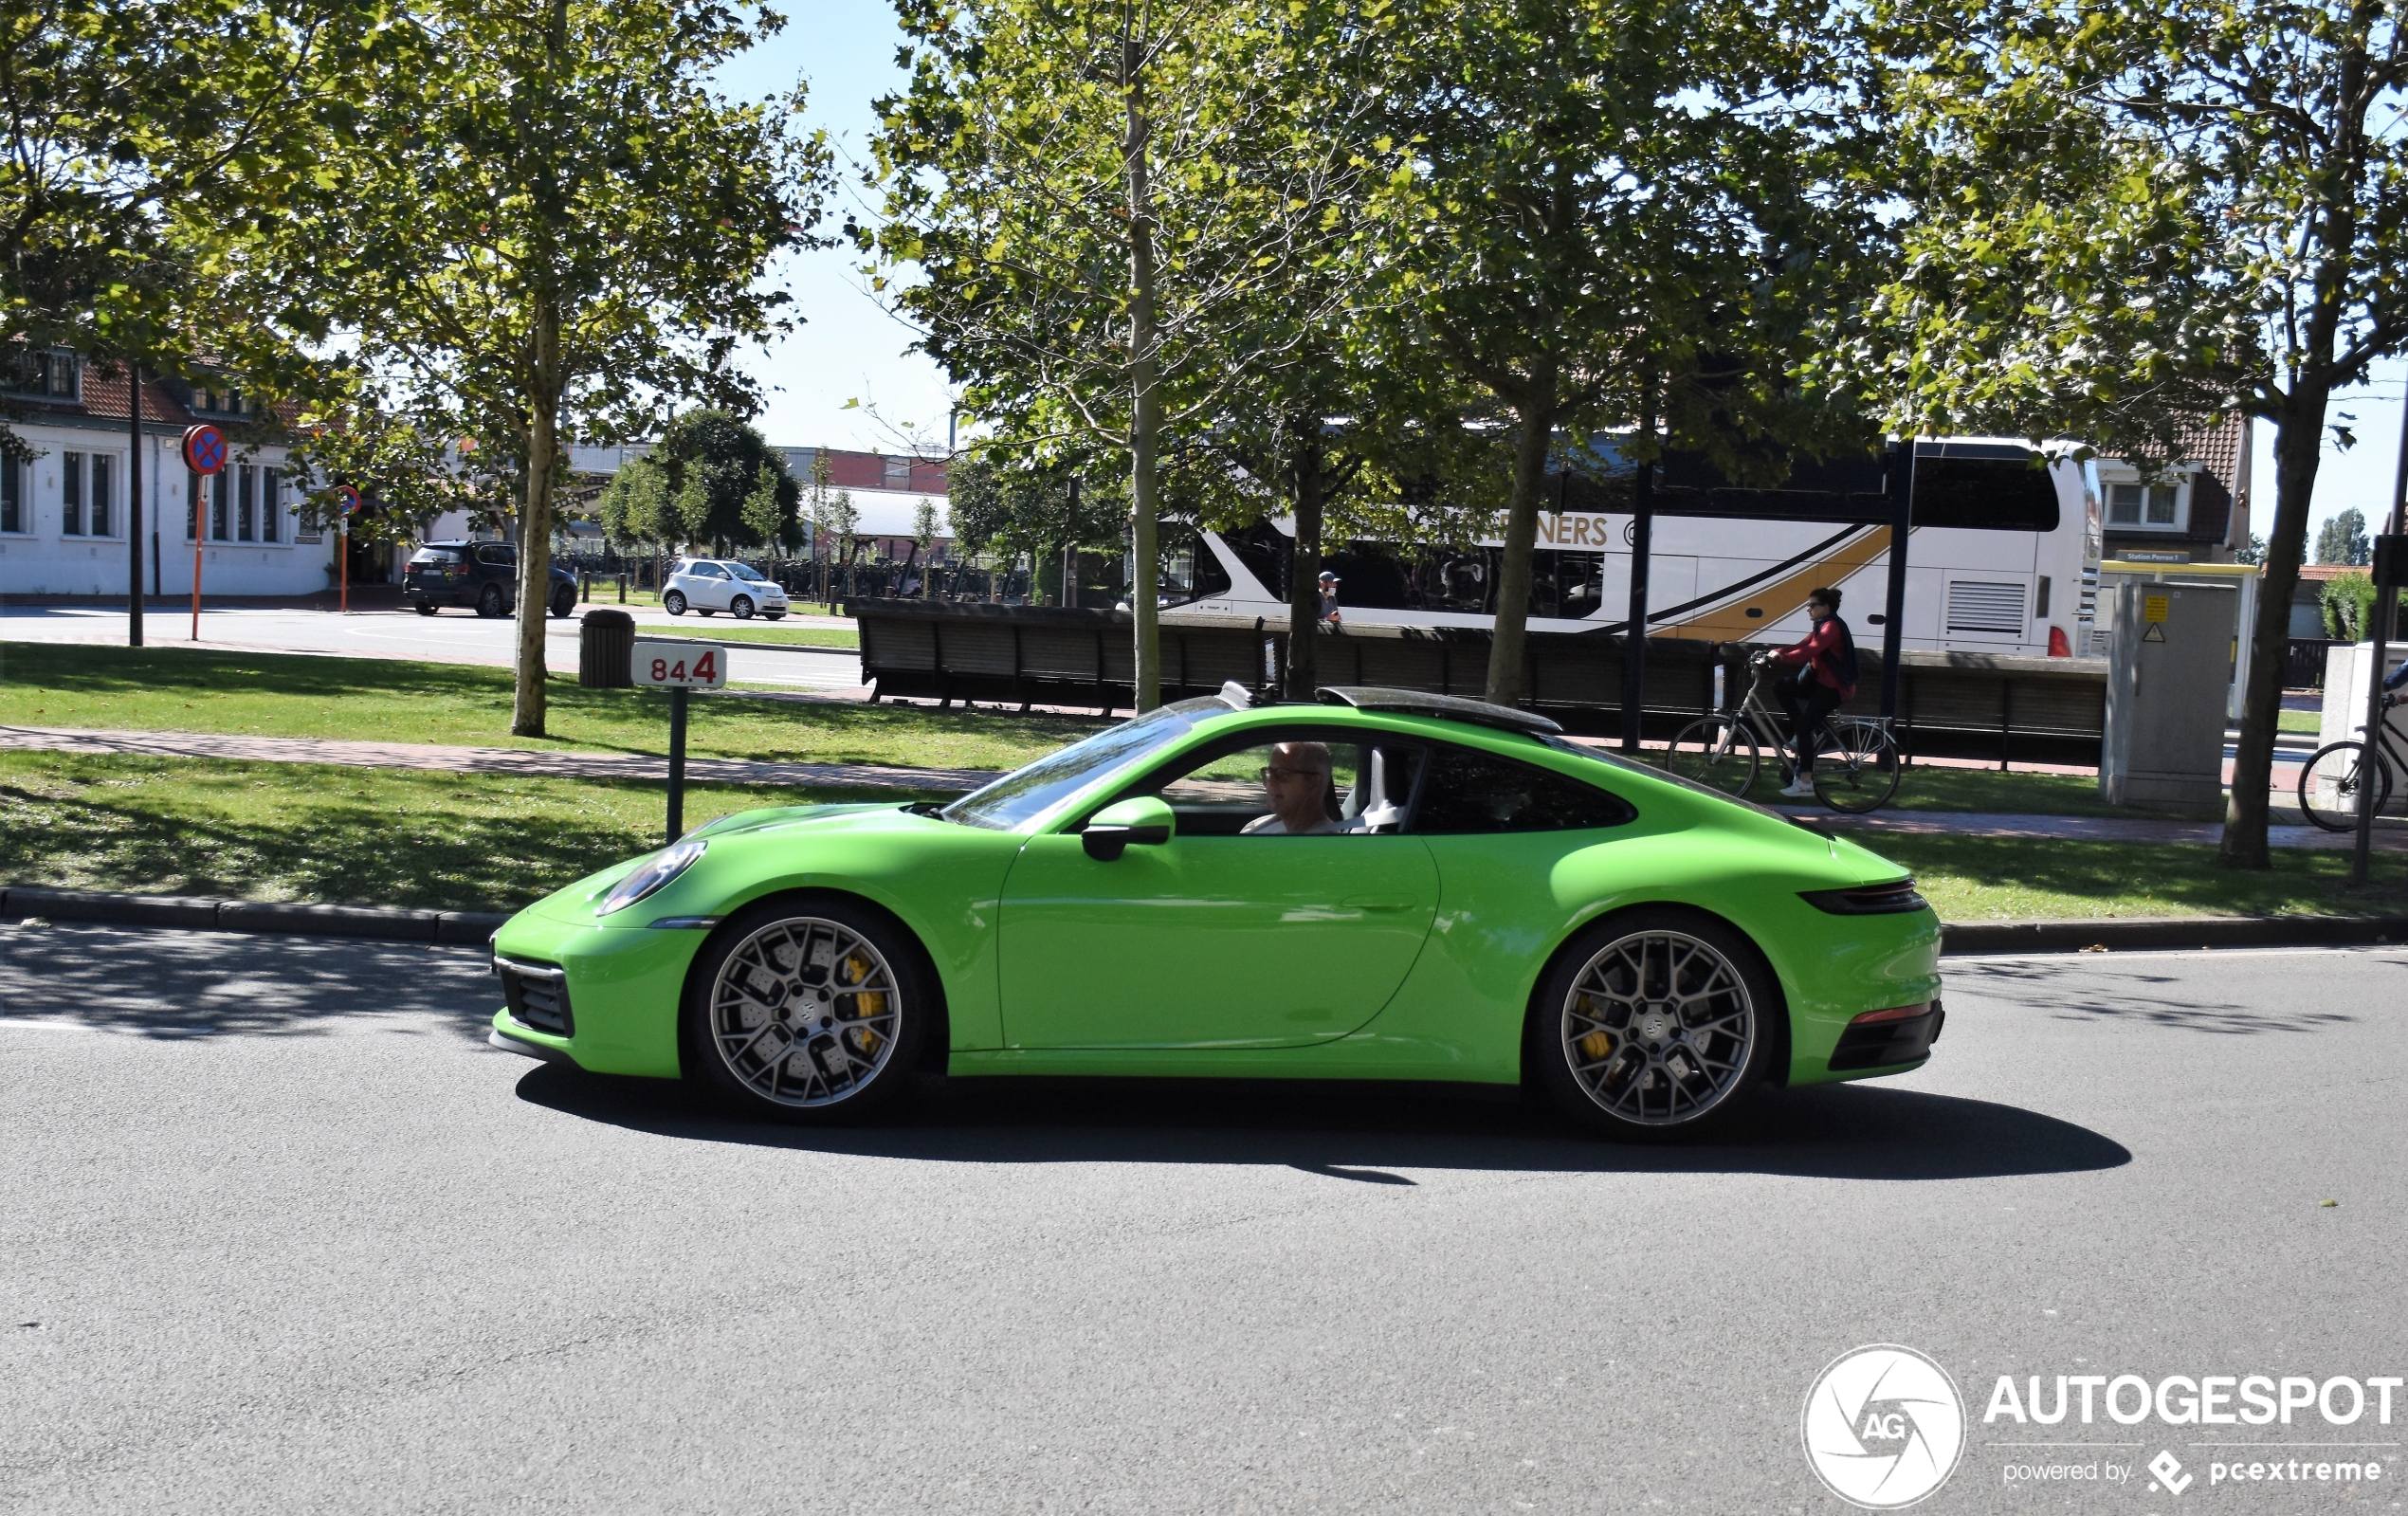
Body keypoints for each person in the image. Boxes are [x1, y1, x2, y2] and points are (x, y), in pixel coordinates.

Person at [1767, 586, 1858, 798]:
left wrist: (1782, 658)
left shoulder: (1831, 628)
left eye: (1812, 605)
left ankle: (1805, 782)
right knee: (1780, 686)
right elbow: (1801, 645)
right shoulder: (1821, 625)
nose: (1808, 609)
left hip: (1835, 688)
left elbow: (1809, 651)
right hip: (1820, 683)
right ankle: (1801, 735)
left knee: (1804, 726)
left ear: (1825, 607)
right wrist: (1773, 652)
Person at [1241, 741, 1344, 834]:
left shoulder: (1319, 844)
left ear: (1313, 783)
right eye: (1269, 772)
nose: (1269, 783)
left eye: (1283, 774)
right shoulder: (1267, 824)